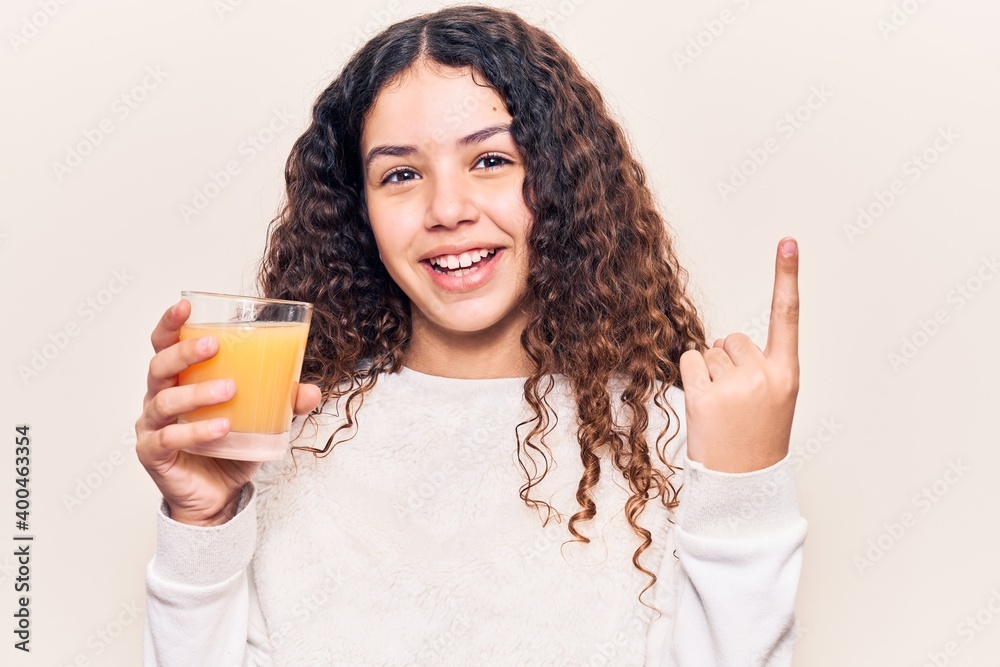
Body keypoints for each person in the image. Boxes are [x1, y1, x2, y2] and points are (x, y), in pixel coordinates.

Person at [136, 5, 807, 665]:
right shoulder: (284, 435)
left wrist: (744, 489)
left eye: (490, 160)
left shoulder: (669, 434)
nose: (448, 210)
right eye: (400, 174)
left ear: (559, 182)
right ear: (358, 211)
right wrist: (202, 525)